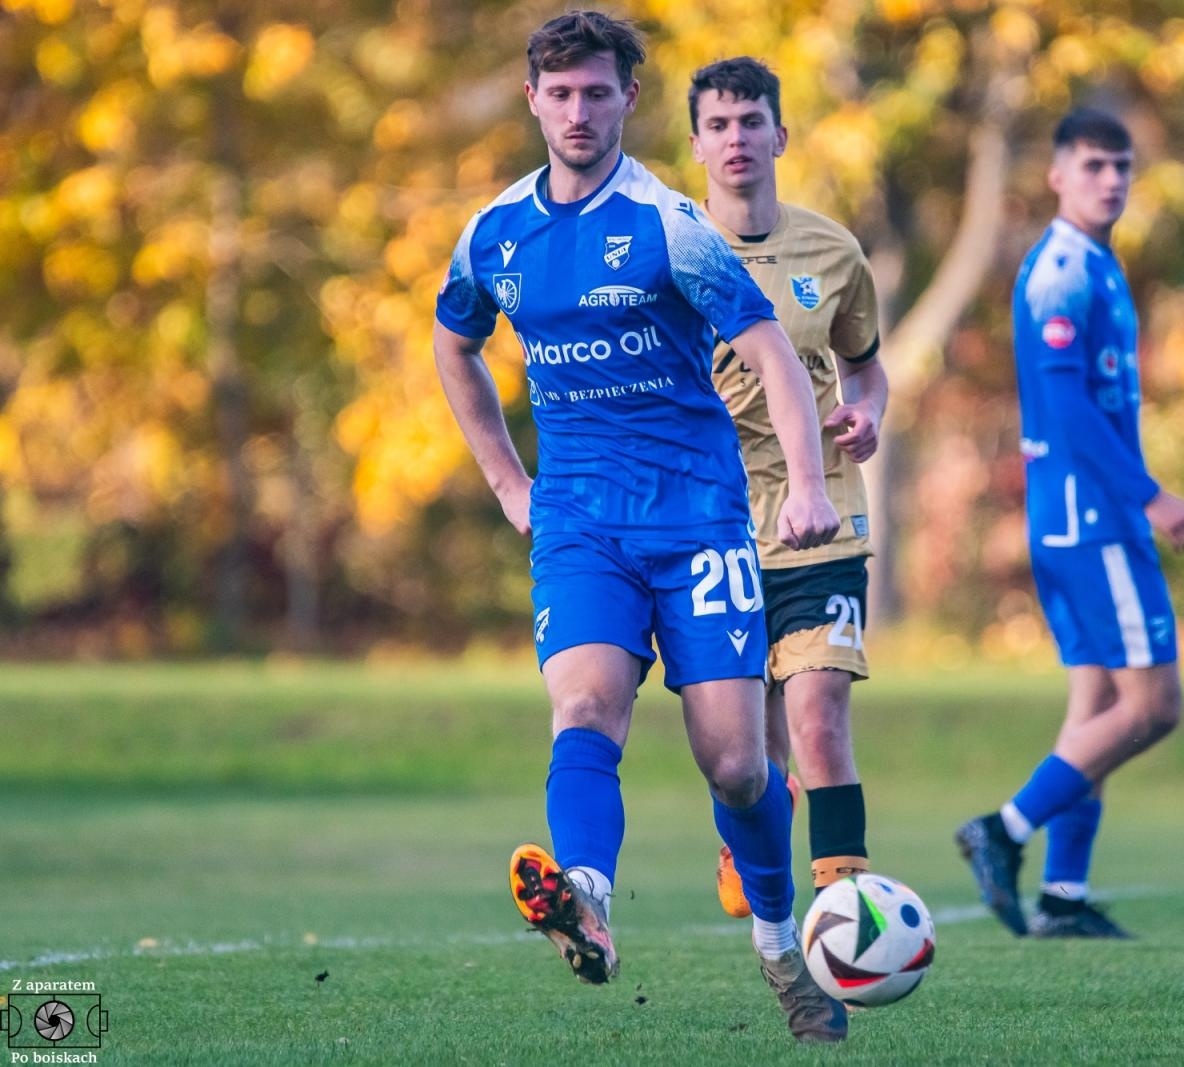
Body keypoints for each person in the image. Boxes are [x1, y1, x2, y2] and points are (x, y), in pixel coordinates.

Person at [431, 11, 847, 1043]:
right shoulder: (495, 233)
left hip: (699, 520)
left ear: (626, 100)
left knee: (738, 766)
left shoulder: (671, 226)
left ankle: (779, 942)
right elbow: (453, 345)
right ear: (533, 98)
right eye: (560, 92)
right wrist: (507, 484)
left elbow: (771, 353)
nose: (578, 110)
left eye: (597, 92)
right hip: (579, 525)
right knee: (582, 708)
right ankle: (585, 898)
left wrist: (805, 484)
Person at [955, 107, 1184, 940]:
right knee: (1155, 705)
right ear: (1057, 174)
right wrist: (1150, 496)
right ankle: (1004, 829)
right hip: (1091, 522)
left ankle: (1063, 896)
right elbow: (1063, 404)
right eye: (1095, 165)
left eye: (1123, 167)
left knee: (1097, 701)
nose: (1112, 181)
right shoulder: (1060, 269)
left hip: (1076, 522)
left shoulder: (1097, 264)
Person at [684, 57, 890, 914]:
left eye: (750, 121)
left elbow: (864, 367)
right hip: (713, 531)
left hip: (824, 520)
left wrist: (868, 412)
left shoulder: (832, 250)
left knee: (818, 720)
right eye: (719, 125)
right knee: (748, 755)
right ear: (697, 144)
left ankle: (847, 915)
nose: (737, 138)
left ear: (781, 134)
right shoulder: (671, 248)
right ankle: (754, 843)